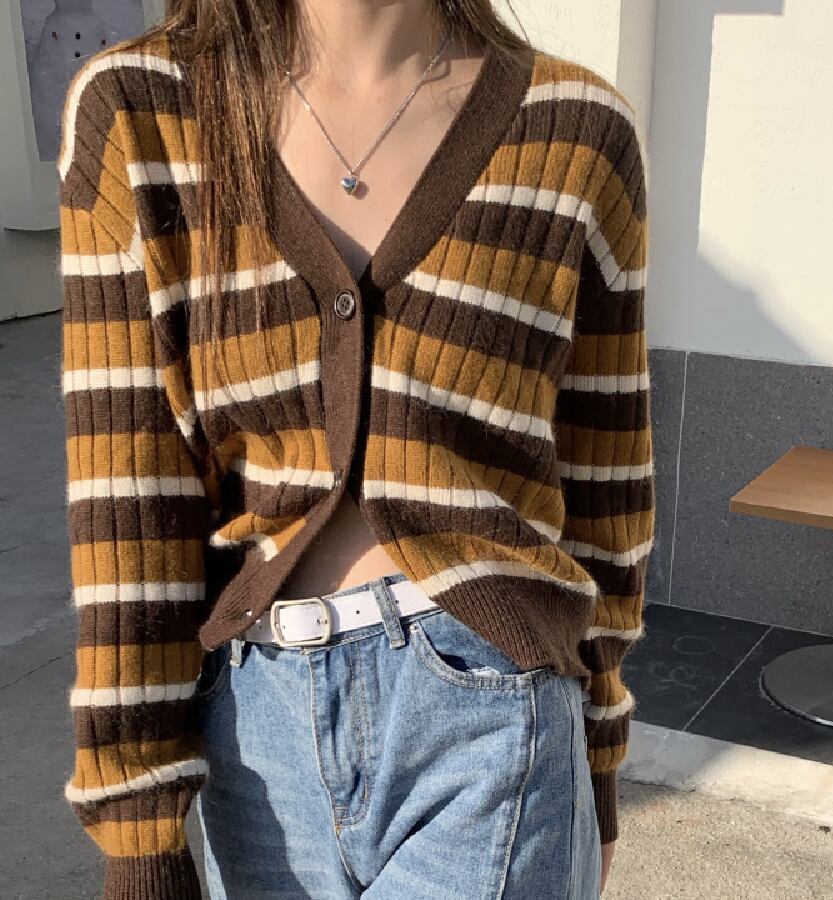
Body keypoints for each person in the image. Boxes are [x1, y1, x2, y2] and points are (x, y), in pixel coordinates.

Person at [56, 1, 655, 897]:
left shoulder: (575, 128)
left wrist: (598, 759)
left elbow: (608, 485)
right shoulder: (142, 112)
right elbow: (126, 503)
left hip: (496, 715)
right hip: (255, 736)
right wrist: (139, 835)